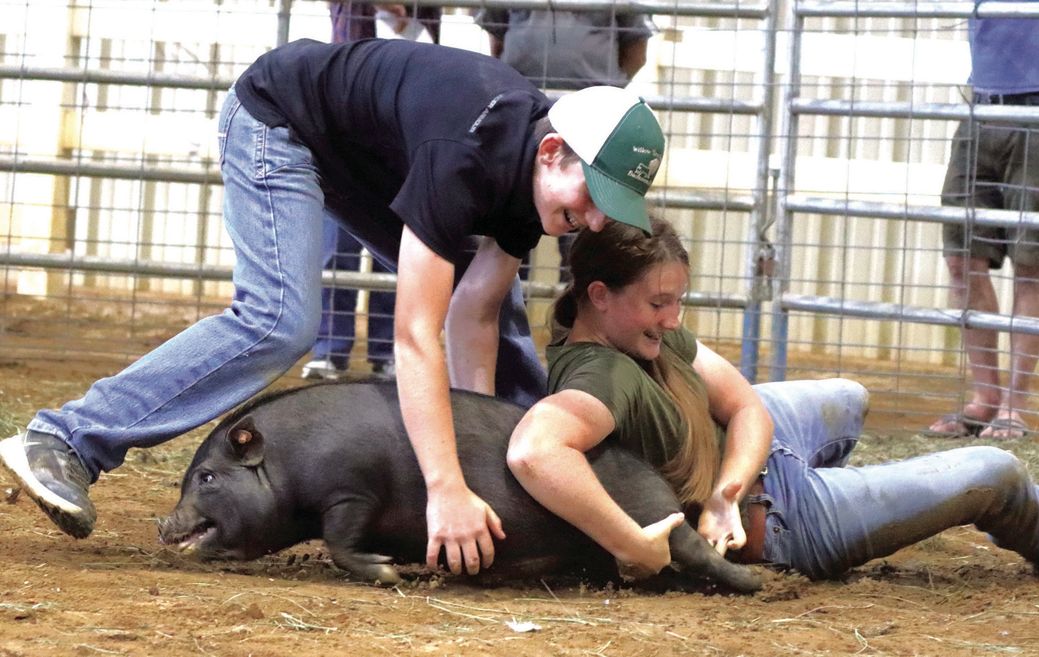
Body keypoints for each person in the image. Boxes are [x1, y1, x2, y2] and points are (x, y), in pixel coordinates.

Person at [0, 40, 667, 581]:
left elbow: (475, 316)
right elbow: (413, 335)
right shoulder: (464, 156)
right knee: (280, 318)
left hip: (361, 159)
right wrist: (444, 487)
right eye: (595, 192)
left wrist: (475, 464)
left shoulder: (531, 178)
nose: (597, 219)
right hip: (279, 120)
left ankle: (560, 490)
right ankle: (65, 438)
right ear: (552, 153)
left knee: (496, 305)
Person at [506, 217, 1039, 583]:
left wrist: (725, 488)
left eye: (678, 301)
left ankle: (849, 497)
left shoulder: (640, 334)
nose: (673, 319)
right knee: (994, 473)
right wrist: (632, 543)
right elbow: (535, 450)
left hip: (746, 477)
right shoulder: (600, 377)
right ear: (598, 295)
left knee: (849, 394)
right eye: (658, 303)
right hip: (781, 517)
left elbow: (747, 406)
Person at [928, 3, 1039, 440]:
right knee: (962, 257)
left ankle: (1015, 405)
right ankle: (986, 397)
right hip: (982, 106)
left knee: (1031, 259)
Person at [300, 1, 436, 382]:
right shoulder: (352, 10)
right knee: (335, 251)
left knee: (397, 254)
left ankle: (387, 351)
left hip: (401, 141)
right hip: (347, 139)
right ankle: (329, 348)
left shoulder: (424, 13)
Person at [475, 6, 655, 282]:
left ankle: (572, 317)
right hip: (525, 120)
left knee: (583, 241)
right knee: (508, 229)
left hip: (592, 127)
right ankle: (504, 314)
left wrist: (603, 94)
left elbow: (636, 49)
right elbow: (496, 38)